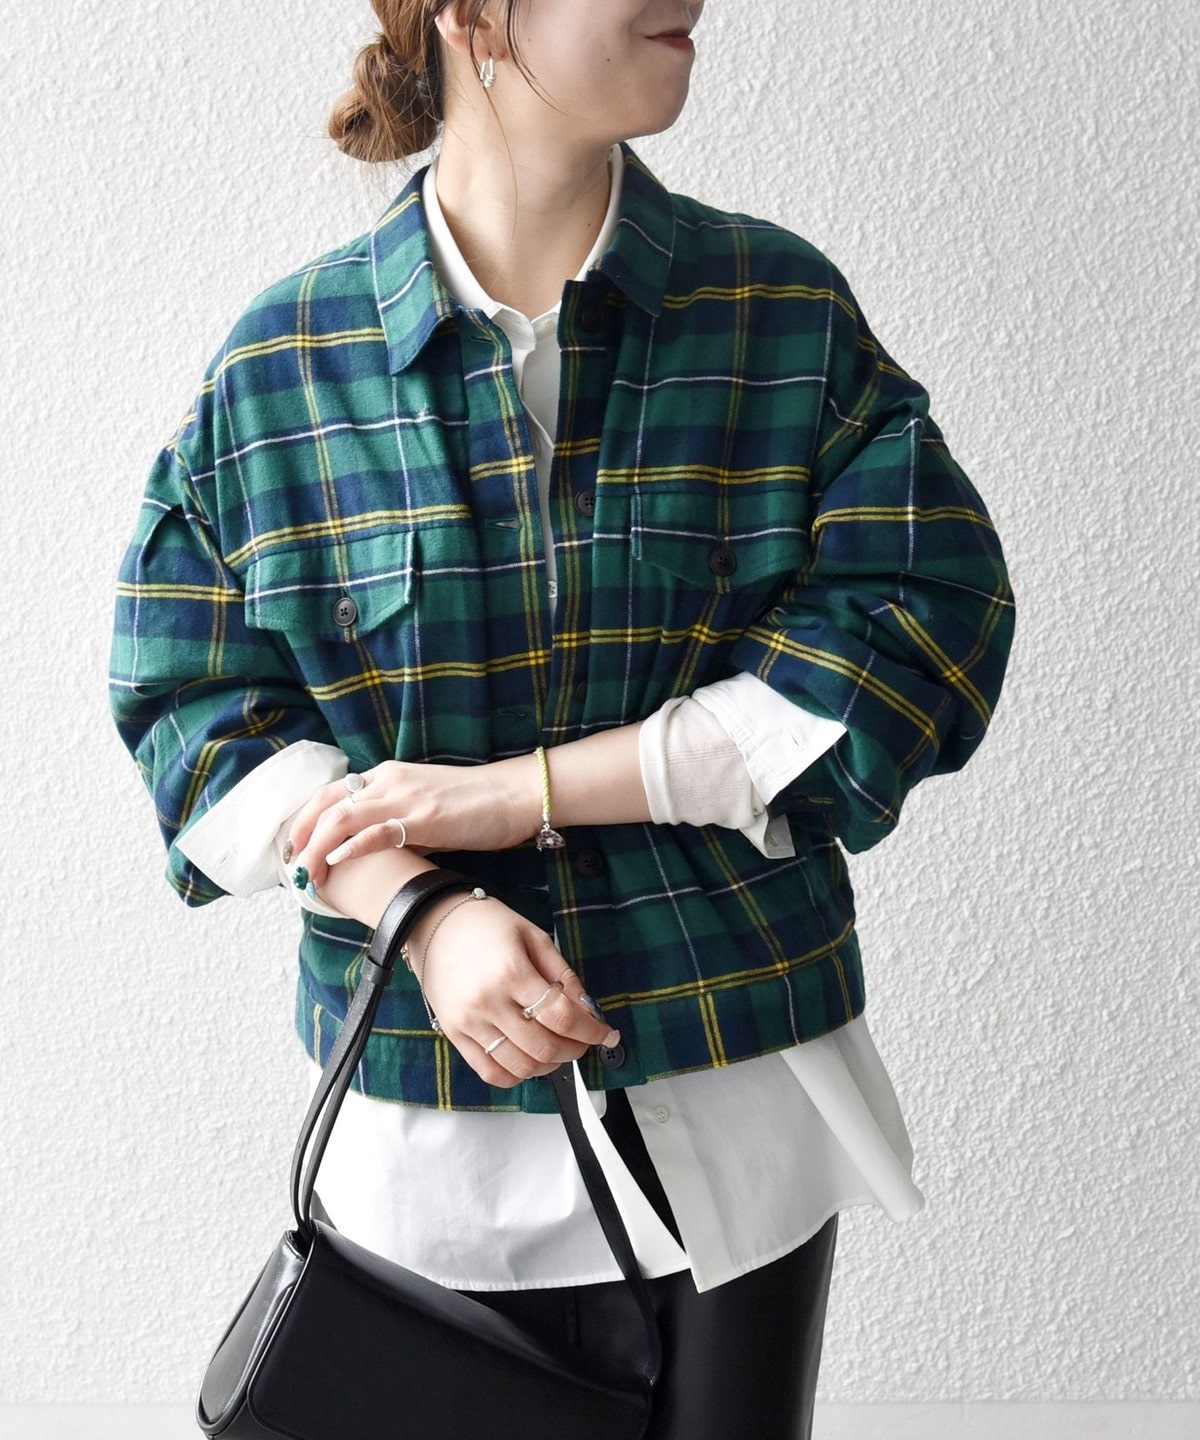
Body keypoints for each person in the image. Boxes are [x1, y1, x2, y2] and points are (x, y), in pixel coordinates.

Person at [110, 2, 1014, 1435]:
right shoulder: (286, 365)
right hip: (436, 1148)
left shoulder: (777, 314)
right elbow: (193, 703)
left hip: (738, 1111)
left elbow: (923, 623)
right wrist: (421, 913)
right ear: (473, 11)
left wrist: (525, 791)